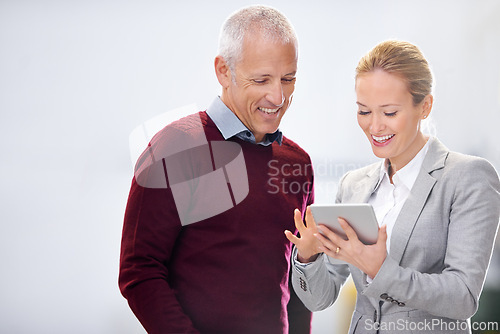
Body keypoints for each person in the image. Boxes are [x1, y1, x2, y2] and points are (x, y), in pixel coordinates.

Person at [119, 5, 314, 334]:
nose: (278, 96)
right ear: (224, 71)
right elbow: (139, 271)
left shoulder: (298, 164)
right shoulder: (176, 148)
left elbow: (297, 281)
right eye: (261, 79)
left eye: (288, 78)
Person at [285, 40, 500, 333]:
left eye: (389, 113)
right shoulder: (353, 185)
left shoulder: (468, 177)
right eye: (364, 111)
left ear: (425, 106)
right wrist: (308, 257)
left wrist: (381, 271)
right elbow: (320, 299)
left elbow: (463, 297)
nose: (374, 127)